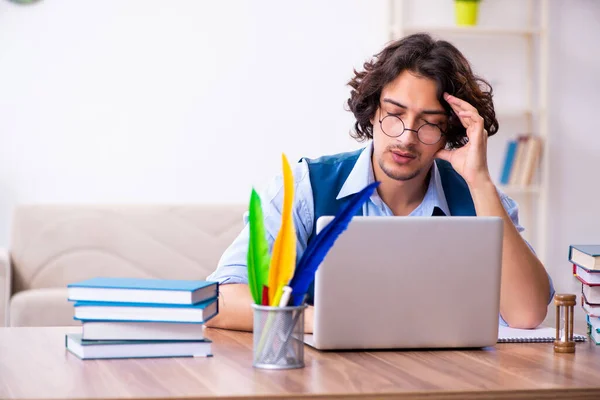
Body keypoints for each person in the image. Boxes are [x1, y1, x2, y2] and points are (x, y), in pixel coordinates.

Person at [205, 33, 554, 332]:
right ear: (373, 111)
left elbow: (527, 315)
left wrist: (478, 181)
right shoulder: (304, 187)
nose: (406, 137)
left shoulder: (482, 199)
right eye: (394, 114)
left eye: (429, 122)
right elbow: (222, 298)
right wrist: (326, 319)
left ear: (450, 131)